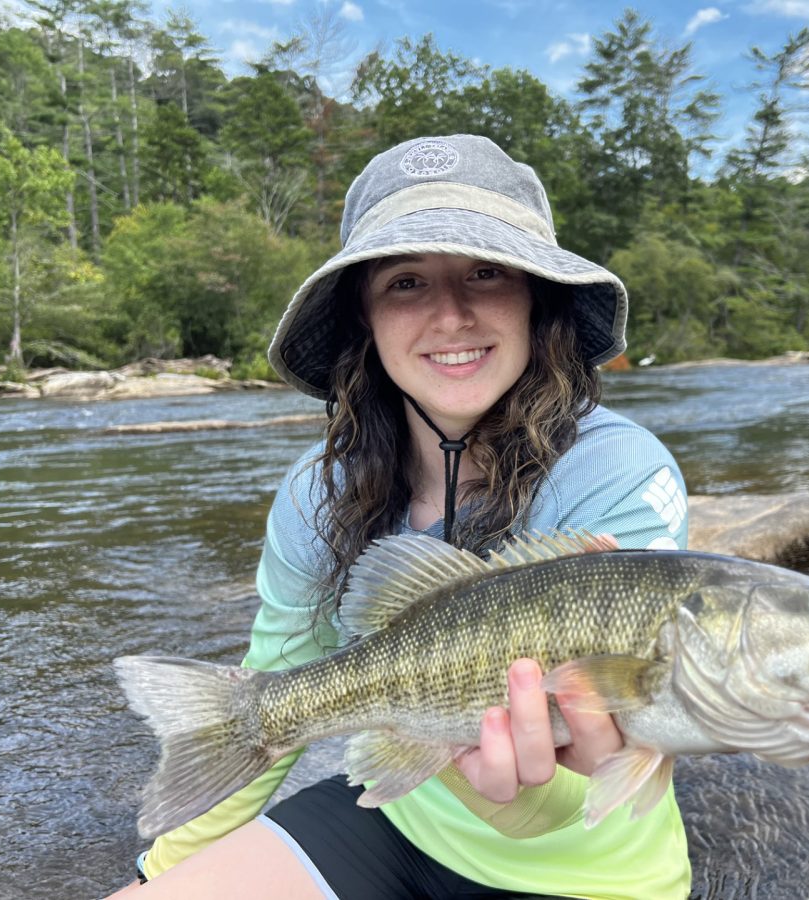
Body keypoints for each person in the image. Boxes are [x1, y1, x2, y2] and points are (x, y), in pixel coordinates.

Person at [115, 134, 692, 898]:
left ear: (536, 298)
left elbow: (606, 769)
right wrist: (163, 863)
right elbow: (276, 688)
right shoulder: (313, 494)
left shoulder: (621, 473)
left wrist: (521, 802)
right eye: (407, 281)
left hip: (593, 867)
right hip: (395, 819)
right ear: (366, 320)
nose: (451, 316)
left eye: (487, 271)